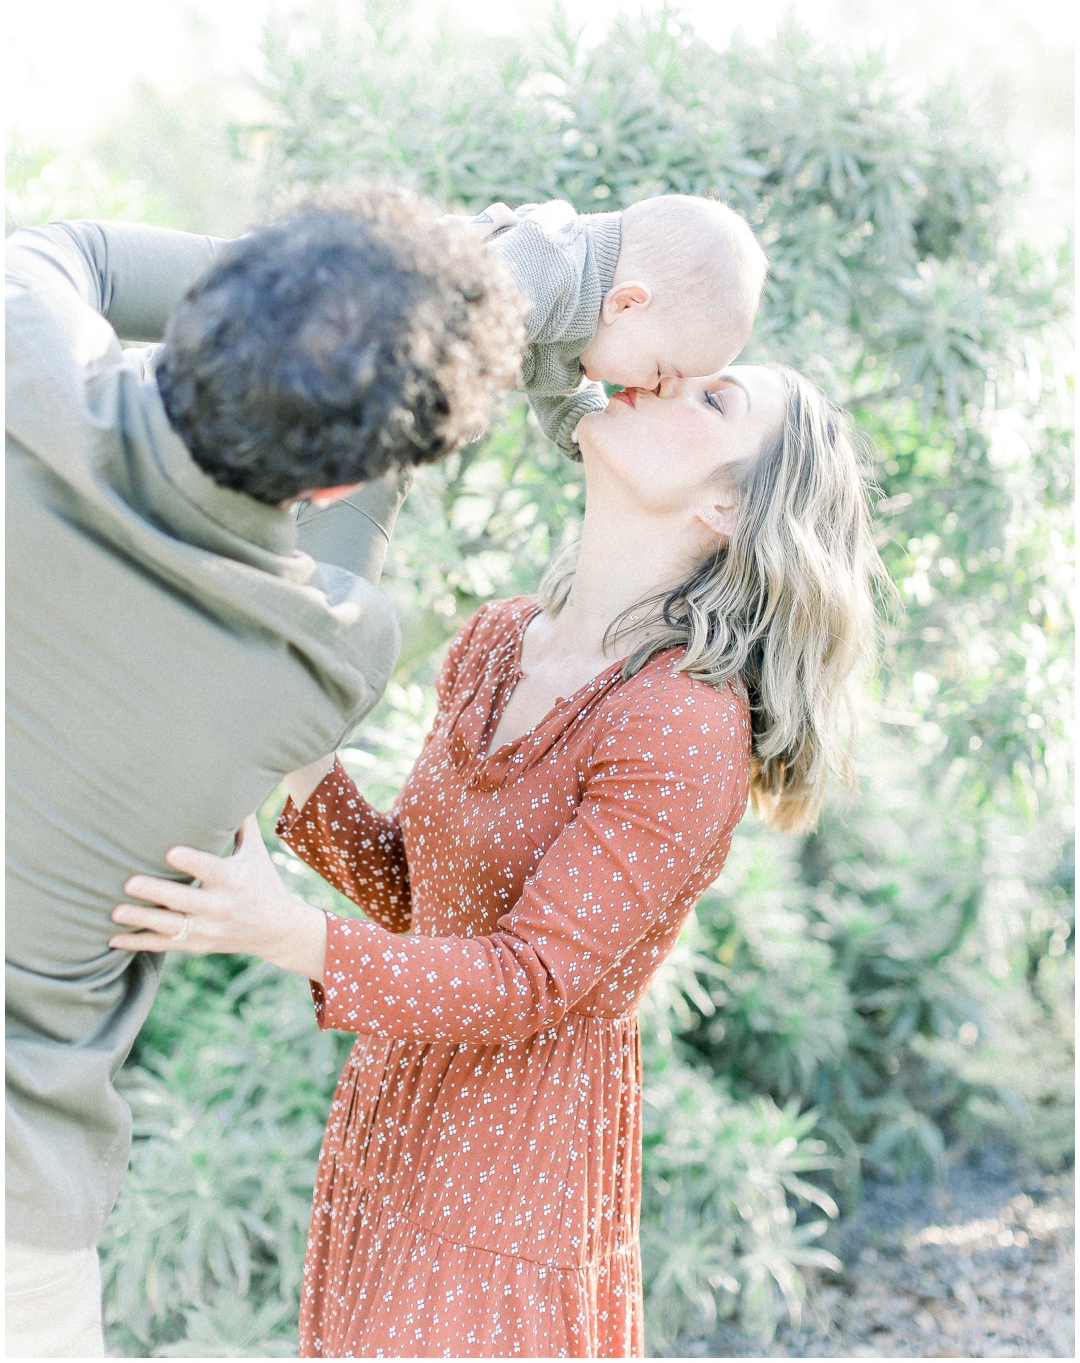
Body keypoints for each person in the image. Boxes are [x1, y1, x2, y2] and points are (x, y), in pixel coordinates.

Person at [113, 360, 886, 1358]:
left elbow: (530, 977)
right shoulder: (498, 640)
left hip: (511, 1181)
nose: (662, 381)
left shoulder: (683, 722)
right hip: (390, 1123)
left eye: (715, 399)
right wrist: (303, 753)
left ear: (729, 507)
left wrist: (283, 933)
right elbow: (420, 897)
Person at [4, 189, 523, 1358]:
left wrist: (321, 285)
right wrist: (430, 322)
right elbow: (347, 549)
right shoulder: (324, 654)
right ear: (346, 478)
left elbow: (75, 249)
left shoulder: (20, 351)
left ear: (205, 313)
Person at [474, 193, 767, 458]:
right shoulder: (552, 259)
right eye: (659, 371)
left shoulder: (583, 330)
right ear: (626, 303)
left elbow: (553, 377)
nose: (652, 387)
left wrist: (583, 428)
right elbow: (467, 308)